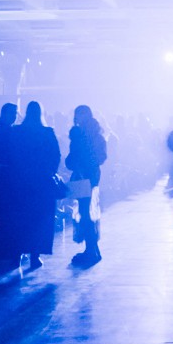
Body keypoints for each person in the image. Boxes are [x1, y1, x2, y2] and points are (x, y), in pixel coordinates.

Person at [1, 102, 61, 271]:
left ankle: (16, 255)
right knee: (40, 219)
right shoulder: (48, 133)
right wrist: (49, 172)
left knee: (20, 218)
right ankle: (35, 255)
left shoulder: (16, 132)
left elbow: (9, 154)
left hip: (19, 182)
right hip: (41, 182)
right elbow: (56, 155)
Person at [66, 105, 107, 267]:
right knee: (88, 212)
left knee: (85, 212)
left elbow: (74, 157)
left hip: (83, 176)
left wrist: (75, 163)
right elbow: (101, 156)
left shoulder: (79, 135)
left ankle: (91, 250)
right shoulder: (96, 134)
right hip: (92, 176)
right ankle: (93, 248)